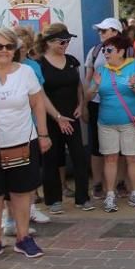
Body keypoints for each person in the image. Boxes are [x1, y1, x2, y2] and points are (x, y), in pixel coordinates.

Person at [0, 27, 50, 263]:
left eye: (8, 46)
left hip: (23, 142)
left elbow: (38, 104)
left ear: (15, 49)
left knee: (22, 192)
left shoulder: (26, 73)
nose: (4, 51)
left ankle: (23, 238)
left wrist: (43, 135)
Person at [85, 33, 135, 214]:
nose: (105, 53)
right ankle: (110, 195)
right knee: (110, 158)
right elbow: (88, 96)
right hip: (106, 123)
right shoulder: (102, 71)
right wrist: (95, 87)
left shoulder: (133, 67)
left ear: (121, 52)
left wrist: (134, 86)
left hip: (130, 121)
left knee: (133, 158)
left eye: (109, 50)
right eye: (104, 50)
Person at [37, 24, 93, 214]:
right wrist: (58, 117)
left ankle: (83, 197)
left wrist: (80, 104)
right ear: (49, 42)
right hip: (51, 117)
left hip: (72, 116)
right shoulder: (40, 64)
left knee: (79, 156)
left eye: (68, 41)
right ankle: (53, 199)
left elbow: (78, 85)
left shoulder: (71, 61)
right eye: (62, 41)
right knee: (51, 158)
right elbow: (40, 95)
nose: (66, 44)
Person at [84, 18, 128, 200]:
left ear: (116, 33)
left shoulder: (128, 50)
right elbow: (87, 78)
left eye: (104, 31)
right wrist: (84, 104)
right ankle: (97, 183)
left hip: (121, 103)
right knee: (96, 146)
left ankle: (120, 182)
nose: (100, 34)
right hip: (97, 103)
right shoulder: (94, 51)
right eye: (100, 31)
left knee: (123, 146)